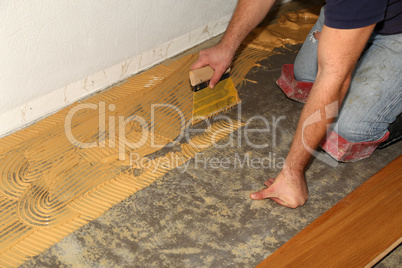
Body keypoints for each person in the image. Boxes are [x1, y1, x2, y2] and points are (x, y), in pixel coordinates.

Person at [191, 0, 402, 208]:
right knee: (305, 77)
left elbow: (334, 80)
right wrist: (226, 46)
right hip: (360, 11)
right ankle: (352, 38)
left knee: (348, 129)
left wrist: (293, 172)